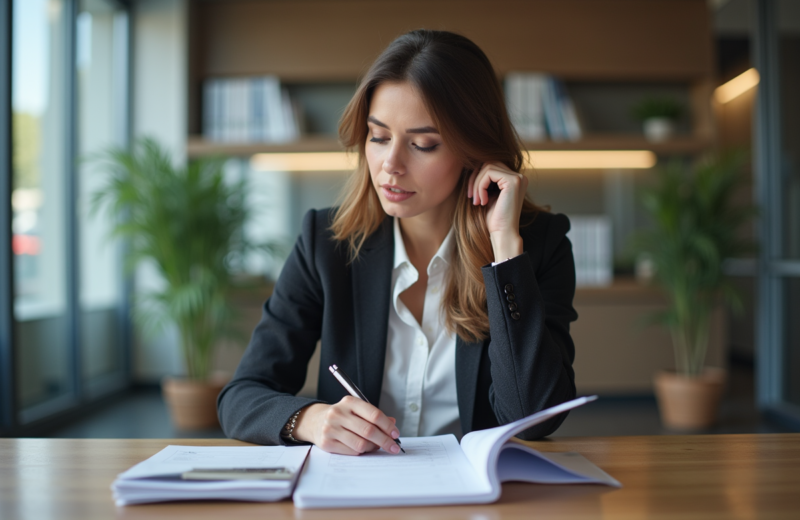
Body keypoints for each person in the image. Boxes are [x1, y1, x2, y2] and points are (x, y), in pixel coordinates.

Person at [217, 29, 578, 456]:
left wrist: (502, 250)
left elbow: (534, 418)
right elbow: (240, 397)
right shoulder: (327, 242)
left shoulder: (535, 247)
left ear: (474, 151)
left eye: (423, 144)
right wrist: (311, 420)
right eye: (379, 136)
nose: (391, 165)